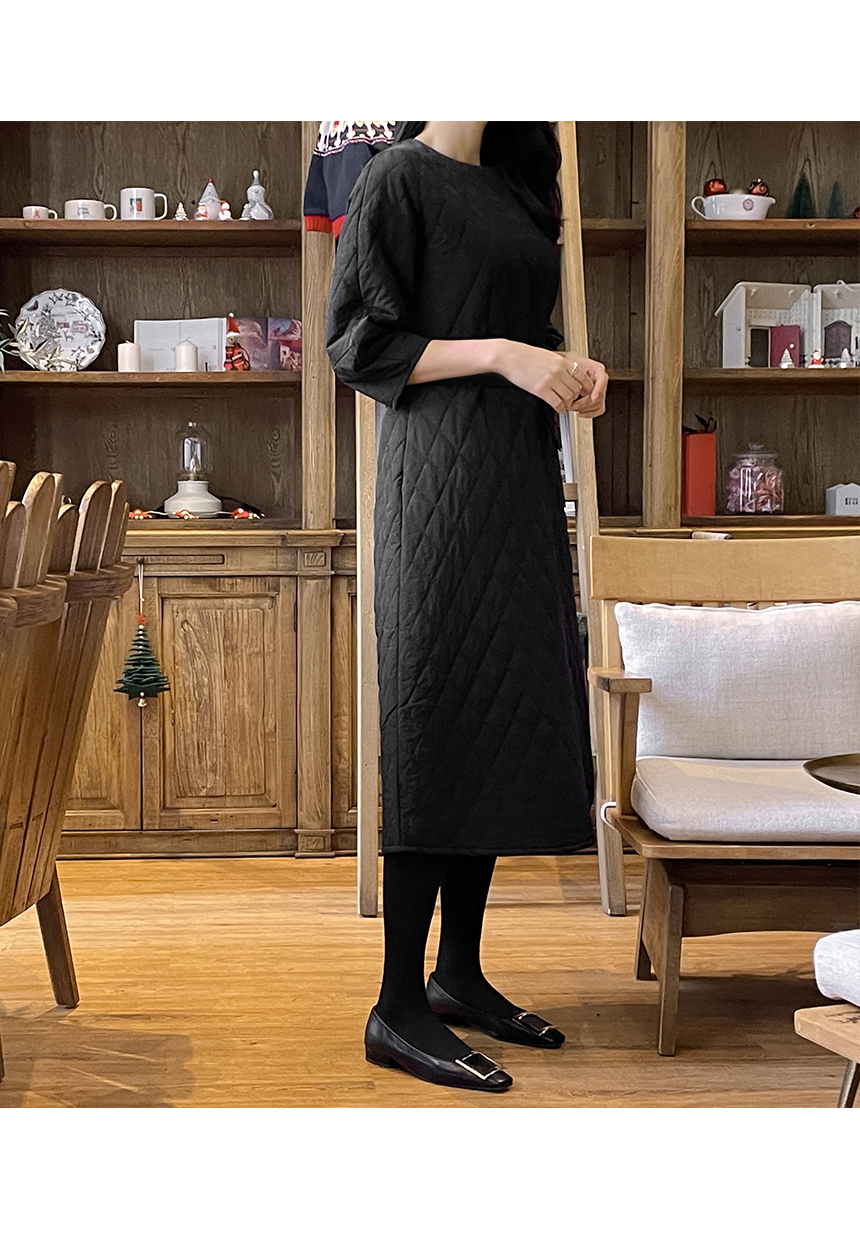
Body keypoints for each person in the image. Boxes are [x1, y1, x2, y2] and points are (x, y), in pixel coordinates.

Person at [326, 121, 608, 1094]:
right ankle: (396, 1004)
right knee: (439, 715)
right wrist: (504, 355)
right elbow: (357, 341)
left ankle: (457, 973)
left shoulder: (519, 181)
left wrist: (566, 370)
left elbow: (525, 334)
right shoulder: (396, 177)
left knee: (494, 717)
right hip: (437, 487)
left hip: (516, 484)